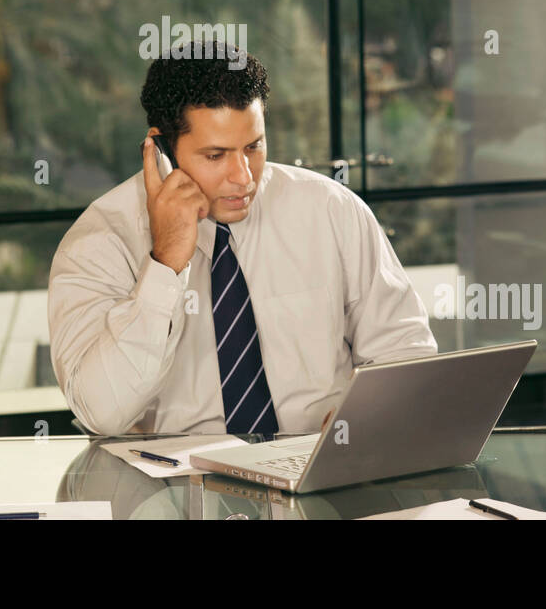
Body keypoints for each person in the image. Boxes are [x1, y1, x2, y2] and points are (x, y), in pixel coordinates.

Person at [47, 41, 437, 437]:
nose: (244, 177)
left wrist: (362, 416)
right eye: (215, 156)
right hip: (170, 491)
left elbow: (404, 351)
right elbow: (102, 414)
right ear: (160, 149)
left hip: (317, 469)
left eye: (253, 147)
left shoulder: (331, 210)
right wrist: (165, 263)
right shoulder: (98, 242)